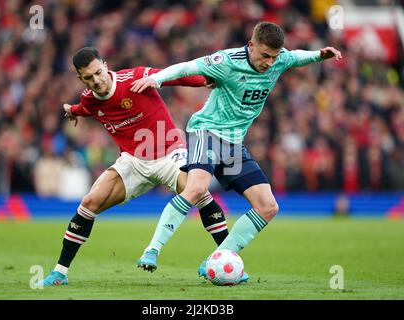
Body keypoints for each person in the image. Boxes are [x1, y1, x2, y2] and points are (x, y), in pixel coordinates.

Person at [131, 21, 342, 283]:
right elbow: (188, 66)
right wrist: (157, 79)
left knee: (268, 207)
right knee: (196, 188)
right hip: (206, 131)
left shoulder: (279, 60)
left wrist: (320, 55)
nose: (269, 63)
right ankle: (152, 250)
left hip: (233, 143)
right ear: (251, 45)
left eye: (274, 57)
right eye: (265, 55)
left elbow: (296, 57)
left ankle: (217, 259)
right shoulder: (226, 60)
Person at [36, 47, 230, 287]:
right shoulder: (89, 98)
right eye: (89, 77)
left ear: (106, 65)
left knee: (198, 192)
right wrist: (72, 110)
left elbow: (174, 76)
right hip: (134, 162)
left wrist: (206, 80)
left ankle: (229, 258)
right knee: (88, 203)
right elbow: (86, 107)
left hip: (170, 153)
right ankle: (59, 273)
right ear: (81, 79)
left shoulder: (135, 78)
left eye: (99, 72)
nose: (96, 80)